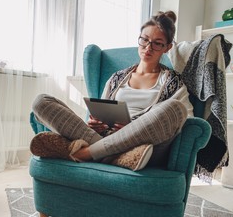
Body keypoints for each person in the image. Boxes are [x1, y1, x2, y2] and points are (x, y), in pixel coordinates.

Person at [30, 11, 194, 171]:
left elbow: (187, 119)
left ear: (167, 47)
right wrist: (95, 125)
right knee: (41, 102)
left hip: (144, 145)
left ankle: (87, 152)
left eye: (157, 43)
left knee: (175, 109)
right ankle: (117, 158)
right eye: (145, 40)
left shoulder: (173, 82)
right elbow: (100, 112)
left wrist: (133, 128)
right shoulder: (117, 78)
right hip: (106, 138)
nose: (148, 47)